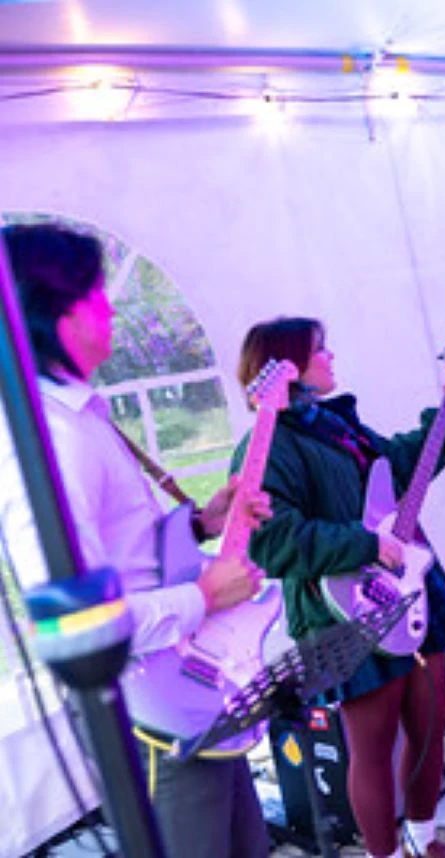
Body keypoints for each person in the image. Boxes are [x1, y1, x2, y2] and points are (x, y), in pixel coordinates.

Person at [0, 223, 272, 858]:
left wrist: (201, 523)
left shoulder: (82, 419)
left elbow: (126, 553)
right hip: (147, 711)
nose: (111, 307)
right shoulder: (49, 445)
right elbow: (78, 627)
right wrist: (203, 596)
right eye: (95, 293)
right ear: (54, 315)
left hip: (186, 681)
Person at [234, 316, 445, 858]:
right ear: (288, 365)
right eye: (321, 349)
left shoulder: (338, 424)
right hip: (337, 613)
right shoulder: (269, 443)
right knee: (373, 745)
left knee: (431, 723)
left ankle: (425, 841)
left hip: (406, 588)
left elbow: (403, 468)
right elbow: (270, 541)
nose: (332, 357)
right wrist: (365, 547)